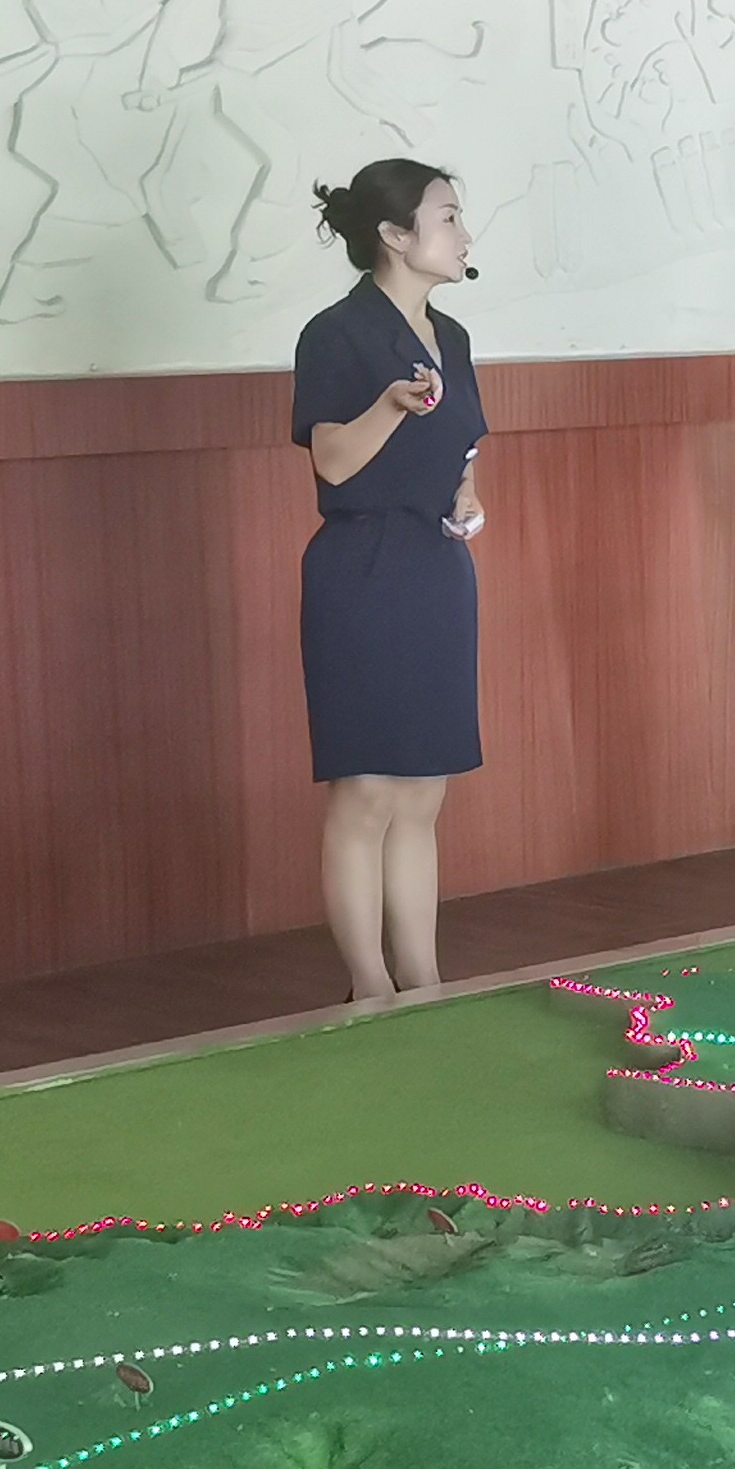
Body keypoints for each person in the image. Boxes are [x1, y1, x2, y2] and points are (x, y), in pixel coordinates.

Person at [289, 158, 488, 1001]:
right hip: (361, 574)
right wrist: (390, 406)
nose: (464, 234)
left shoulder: (454, 338)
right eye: (447, 218)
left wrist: (466, 496)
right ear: (394, 236)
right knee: (366, 790)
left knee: (421, 792)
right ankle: (368, 987)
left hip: (436, 572)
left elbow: (462, 450)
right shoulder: (336, 334)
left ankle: (424, 982)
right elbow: (333, 461)